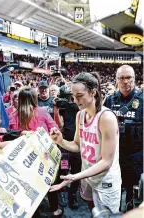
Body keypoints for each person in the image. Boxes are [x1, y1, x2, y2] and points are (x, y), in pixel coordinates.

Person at [50, 72, 121, 213]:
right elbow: (77, 146)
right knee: (92, 211)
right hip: (87, 175)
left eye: (79, 96)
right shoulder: (80, 115)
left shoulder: (106, 118)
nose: (75, 101)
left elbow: (106, 161)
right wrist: (61, 141)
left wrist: (74, 177)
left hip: (105, 180)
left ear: (93, 92)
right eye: (73, 96)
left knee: (106, 215)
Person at [9, 88, 63, 217]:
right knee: (51, 182)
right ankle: (55, 210)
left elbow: (10, 136)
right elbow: (55, 129)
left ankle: (34, 210)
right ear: (35, 99)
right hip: (45, 155)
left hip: (24, 158)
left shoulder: (12, 115)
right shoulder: (43, 111)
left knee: (28, 186)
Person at [104, 65, 143, 209]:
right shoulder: (109, 100)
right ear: (116, 80)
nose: (125, 81)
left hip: (137, 156)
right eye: (121, 78)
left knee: (133, 192)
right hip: (115, 155)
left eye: (128, 78)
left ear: (134, 79)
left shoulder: (142, 99)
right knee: (115, 188)